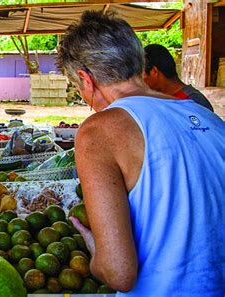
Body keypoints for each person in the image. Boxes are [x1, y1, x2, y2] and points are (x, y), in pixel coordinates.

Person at [57, 11, 225, 296]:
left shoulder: (99, 130)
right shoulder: (210, 119)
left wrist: (96, 250)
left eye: (77, 87)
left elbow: (119, 273)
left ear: (87, 79)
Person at [143, 43, 214, 112]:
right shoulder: (158, 99)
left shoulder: (195, 102)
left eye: (140, 75)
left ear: (154, 72)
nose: (139, 81)